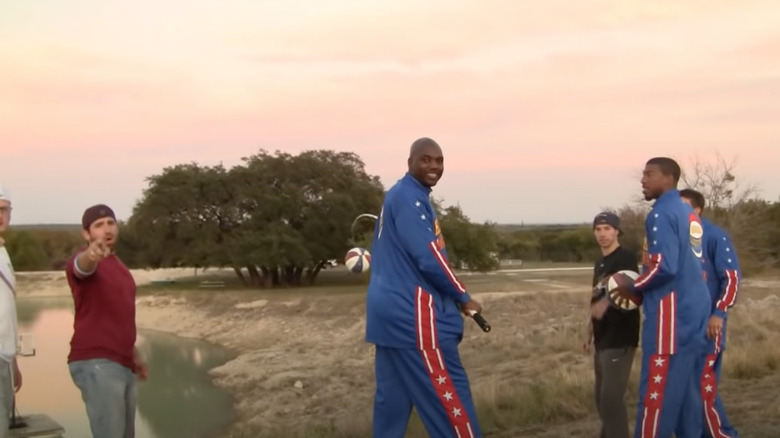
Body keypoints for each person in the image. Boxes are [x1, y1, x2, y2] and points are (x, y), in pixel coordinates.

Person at [365, 137, 483, 438]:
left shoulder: (404, 196)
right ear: (410, 163)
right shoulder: (408, 197)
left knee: (391, 405)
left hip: (389, 319)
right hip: (414, 319)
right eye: (426, 159)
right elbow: (428, 257)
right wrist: (463, 296)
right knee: (453, 405)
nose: (433, 166)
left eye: (439, 160)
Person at [607, 157, 711, 438]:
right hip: (694, 310)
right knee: (686, 392)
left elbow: (665, 266)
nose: (643, 180)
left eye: (649, 174)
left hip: (670, 314)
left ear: (669, 178)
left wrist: (635, 286)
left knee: (657, 395)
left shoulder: (661, 214)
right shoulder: (688, 212)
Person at [66, 204, 149, 438]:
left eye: (111, 223)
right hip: (97, 362)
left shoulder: (120, 268)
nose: (106, 229)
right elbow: (81, 268)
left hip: (122, 362)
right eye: (98, 225)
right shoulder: (83, 260)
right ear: (86, 234)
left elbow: (118, 315)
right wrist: (90, 255)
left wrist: (133, 355)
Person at [679, 189, 741, 438]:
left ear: (697, 210)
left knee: (703, 389)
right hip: (681, 328)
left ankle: (723, 435)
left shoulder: (715, 236)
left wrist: (719, 313)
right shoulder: (674, 240)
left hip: (708, 327)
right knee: (684, 392)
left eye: (684, 207)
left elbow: (732, 279)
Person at [586, 212, 640, 438]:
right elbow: (595, 297)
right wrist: (589, 330)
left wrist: (607, 303)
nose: (602, 234)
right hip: (602, 338)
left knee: (611, 398)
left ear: (617, 231)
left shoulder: (625, 257)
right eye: (598, 229)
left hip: (621, 337)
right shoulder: (601, 263)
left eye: (607, 229)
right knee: (601, 398)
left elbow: (633, 289)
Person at [0, 185, 22, 438]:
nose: (0, 215)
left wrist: (13, 361)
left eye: (4, 210)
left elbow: (7, 313)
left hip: (4, 357)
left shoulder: (3, 252)